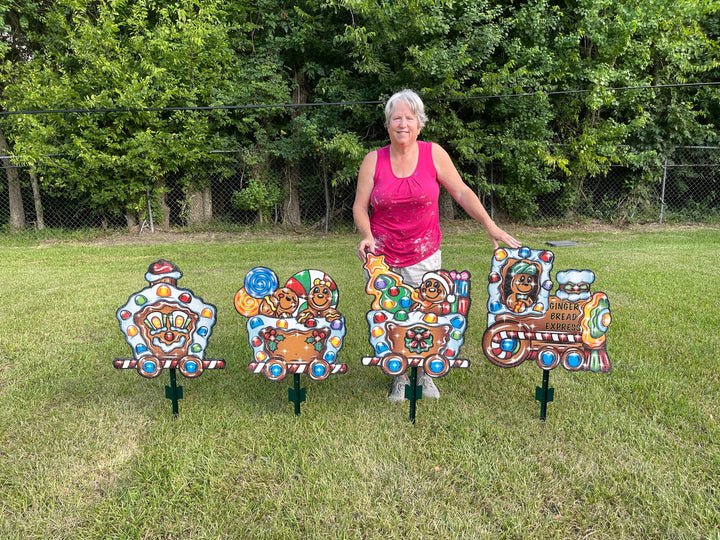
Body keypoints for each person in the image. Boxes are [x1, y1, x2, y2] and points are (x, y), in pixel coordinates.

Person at [353, 89, 521, 402]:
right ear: (388, 124)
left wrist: (490, 224)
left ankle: (426, 373)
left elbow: (461, 192)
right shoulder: (373, 160)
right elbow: (360, 206)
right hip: (382, 258)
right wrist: (366, 235)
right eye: (396, 118)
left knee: (427, 314)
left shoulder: (434, 154)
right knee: (391, 317)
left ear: (419, 123)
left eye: (409, 118)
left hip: (425, 253)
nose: (402, 123)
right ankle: (400, 377)